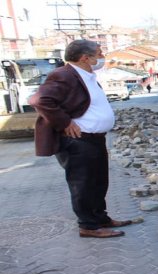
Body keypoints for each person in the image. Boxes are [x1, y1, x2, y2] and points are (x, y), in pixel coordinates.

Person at [29, 39, 133, 238]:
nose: (102, 57)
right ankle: (88, 226)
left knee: (98, 181)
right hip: (78, 142)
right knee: (82, 184)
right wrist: (65, 122)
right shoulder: (64, 75)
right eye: (99, 53)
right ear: (86, 57)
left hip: (94, 139)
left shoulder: (86, 76)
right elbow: (39, 99)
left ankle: (100, 218)